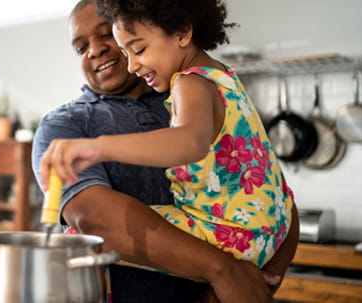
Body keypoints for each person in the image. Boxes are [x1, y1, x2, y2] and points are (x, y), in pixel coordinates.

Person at [33, 1, 298, 302]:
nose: (95, 51)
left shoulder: (188, 86)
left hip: (237, 240)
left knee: (76, 240)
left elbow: (188, 142)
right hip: (263, 234)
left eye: (109, 36)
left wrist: (98, 147)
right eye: (80, 48)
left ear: (181, 32)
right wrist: (228, 273)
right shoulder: (224, 79)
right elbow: (95, 219)